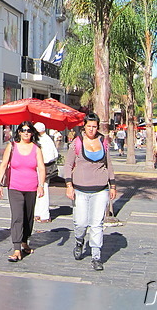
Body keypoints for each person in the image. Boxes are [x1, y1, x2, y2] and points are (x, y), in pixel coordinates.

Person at [63, 113, 116, 271]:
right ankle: (79, 241)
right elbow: (68, 165)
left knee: (96, 224)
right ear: (84, 127)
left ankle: (96, 255)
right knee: (80, 223)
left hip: (100, 189)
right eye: (89, 126)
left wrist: (112, 185)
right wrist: (68, 185)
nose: (92, 129)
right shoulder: (77, 143)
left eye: (94, 126)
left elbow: (109, 165)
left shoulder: (103, 141)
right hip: (80, 189)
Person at [0, 121, 45, 262]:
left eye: (28, 131)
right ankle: (17, 248)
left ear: (32, 133)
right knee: (17, 216)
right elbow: (4, 164)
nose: (26, 133)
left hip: (31, 187)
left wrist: (41, 185)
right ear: (18, 132)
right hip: (15, 187)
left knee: (28, 218)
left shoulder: (36, 148)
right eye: (23, 130)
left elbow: (41, 168)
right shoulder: (12, 146)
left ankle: (24, 241)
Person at [33, 122, 59, 223]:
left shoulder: (42, 140)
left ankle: (43, 214)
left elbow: (46, 157)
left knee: (42, 190)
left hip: (42, 168)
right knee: (41, 190)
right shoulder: (48, 139)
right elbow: (55, 154)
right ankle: (39, 213)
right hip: (46, 167)